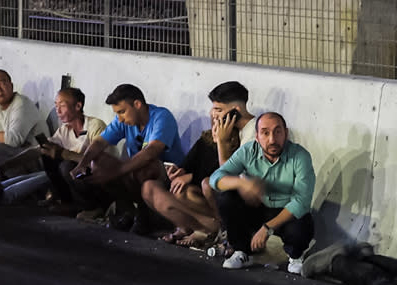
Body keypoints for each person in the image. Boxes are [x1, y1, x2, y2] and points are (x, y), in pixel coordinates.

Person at [207, 110, 316, 270]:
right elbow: (215, 178)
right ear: (257, 137)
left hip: (284, 213)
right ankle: (241, 251)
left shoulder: (300, 156)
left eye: (277, 132)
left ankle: (295, 256)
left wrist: (267, 229)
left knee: (302, 222)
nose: (272, 139)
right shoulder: (248, 151)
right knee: (227, 197)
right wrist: (242, 184)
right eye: (265, 133)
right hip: (256, 209)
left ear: (285, 133)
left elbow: (301, 201)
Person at [144, 80, 250, 243]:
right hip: (202, 194)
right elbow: (188, 165)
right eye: (213, 109)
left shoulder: (240, 140)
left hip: (230, 200)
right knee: (154, 186)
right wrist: (180, 172)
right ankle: (197, 227)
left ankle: (217, 229)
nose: (213, 114)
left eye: (218, 110)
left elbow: (224, 175)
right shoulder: (205, 138)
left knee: (199, 188)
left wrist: (222, 142)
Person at [69, 83, 182, 221]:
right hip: (136, 173)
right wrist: (83, 163)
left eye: (122, 112)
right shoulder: (122, 120)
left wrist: (114, 172)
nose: (120, 118)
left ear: (137, 104)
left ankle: (145, 216)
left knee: (145, 166)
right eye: (117, 113)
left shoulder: (162, 117)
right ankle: (127, 211)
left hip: (169, 177)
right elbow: (99, 142)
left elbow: (151, 152)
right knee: (99, 160)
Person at [36, 86, 97, 209]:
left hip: (97, 180)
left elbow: (99, 162)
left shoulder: (94, 125)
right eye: (56, 105)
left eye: (62, 105)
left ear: (78, 106)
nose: (57, 110)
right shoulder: (64, 130)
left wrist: (65, 154)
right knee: (47, 154)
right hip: (75, 178)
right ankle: (64, 200)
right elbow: (41, 149)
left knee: (67, 165)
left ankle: (89, 207)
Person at [0, 68, 46, 171]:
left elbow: (14, 140)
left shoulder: (22, 104)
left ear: (11, 85)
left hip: (36, 157)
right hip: (16, 152)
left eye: (3, 83)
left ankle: (2, 182)